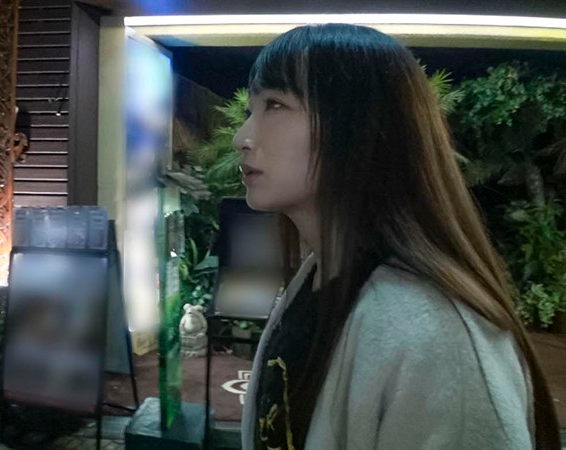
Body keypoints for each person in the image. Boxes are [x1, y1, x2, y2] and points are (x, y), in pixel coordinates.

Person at [233, 24, 560, 450]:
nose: (242, 138)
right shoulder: (317, 280)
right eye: (251, 110)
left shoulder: (437, 338)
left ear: (360, 126)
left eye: (275, 105)